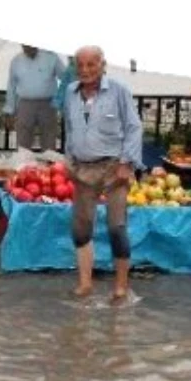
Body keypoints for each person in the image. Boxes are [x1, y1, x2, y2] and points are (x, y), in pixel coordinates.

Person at [62, 45, 143, 300]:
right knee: (81, 229)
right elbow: (69, 127)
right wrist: (68, 160)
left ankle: (120, 287)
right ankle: (85, 284)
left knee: (116, 228)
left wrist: (127, 163)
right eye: (81, 65)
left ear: (102, 65)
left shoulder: (118, 91)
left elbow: (134, 127)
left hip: (113, 168)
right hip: (82, 168)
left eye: (91, 65)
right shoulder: (70, 92)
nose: (85, 70)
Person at [5, 45, 66, 152]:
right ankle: (23, 165)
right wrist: (9, 110)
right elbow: (11, 86)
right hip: (25, 104)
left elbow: (66, 79)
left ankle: (49, 165)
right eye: (25, 45)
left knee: (49, 139)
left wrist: (59, 100)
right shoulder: (16, 61)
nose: (28, 48)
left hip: (48, 103)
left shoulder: (51, 57)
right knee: (23, 141)